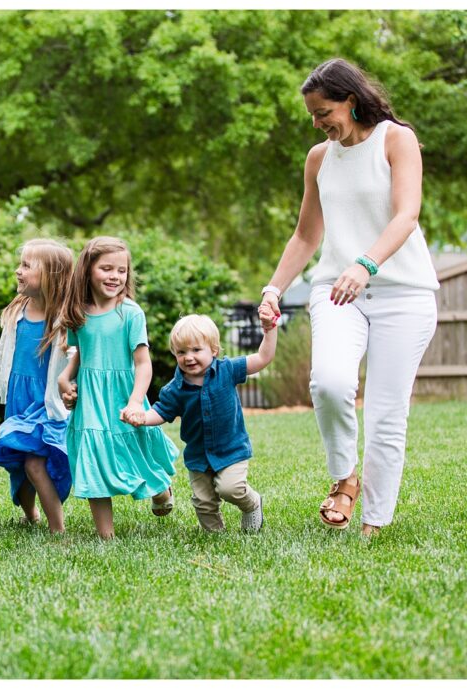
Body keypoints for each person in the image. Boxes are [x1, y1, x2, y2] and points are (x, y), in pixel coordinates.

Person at [257, 58, 439, 536]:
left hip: (404, 292)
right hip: (337, 291)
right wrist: (274, 289)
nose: (317, 124)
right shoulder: (319, 158)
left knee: (386, 411)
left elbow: (407, 215)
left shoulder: (397, 139)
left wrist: (366, 263)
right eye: (313, 116)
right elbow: (305, 235)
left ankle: (374, 523)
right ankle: (344, 479)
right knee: (330, 383)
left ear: (351, 101)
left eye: (324, 113)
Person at [57, 236, 179, 539]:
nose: (115, 276)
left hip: (125, 394)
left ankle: (161, 490)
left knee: (139, 449)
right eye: (106, 268)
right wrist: (64, 378)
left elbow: (143, 363)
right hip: (90, 399)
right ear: (88, 270)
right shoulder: (77, 314)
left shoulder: (130, 313)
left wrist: (137, 401)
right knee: (94, 456)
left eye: (121, 271)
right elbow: (82, 353)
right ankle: (105, 535)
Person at [123, 314, 277, 533]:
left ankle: (252, 504)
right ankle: (215, 535)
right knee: (204, 501)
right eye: (181, 352)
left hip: (231, 449)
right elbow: (160, 412)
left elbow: (263, 357)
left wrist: (270, 329)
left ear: (213, 350)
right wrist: (141, 417)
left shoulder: (227, 370)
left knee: (230, 488)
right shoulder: (175, 389)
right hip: (198, 455)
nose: (189, 357)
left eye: (196, 350)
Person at [0, 239, 74, 534]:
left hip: (47, 404)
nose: (18, 271)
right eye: (20, 264)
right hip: (19, 401)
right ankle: (31, 514)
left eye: (26, 266)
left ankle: (58, 529)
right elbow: (0, 363)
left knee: (35, 465)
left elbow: (76, 362)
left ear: (51, 276)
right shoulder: (17, 314)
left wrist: (72, 391)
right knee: (20, 464)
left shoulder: (64, 320)